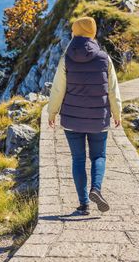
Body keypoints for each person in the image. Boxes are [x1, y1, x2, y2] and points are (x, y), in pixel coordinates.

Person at [47, 16, 122, 215]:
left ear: (75, 33)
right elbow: (113, 89)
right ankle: (95, 189)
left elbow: (57, 89)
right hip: (99, 118)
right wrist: (117, 112)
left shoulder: (66, 58)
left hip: (72, 119)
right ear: (93, 33)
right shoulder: (105, 58)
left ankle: (84, 204)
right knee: (98, 156)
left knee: (78, 159)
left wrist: (52, 112)